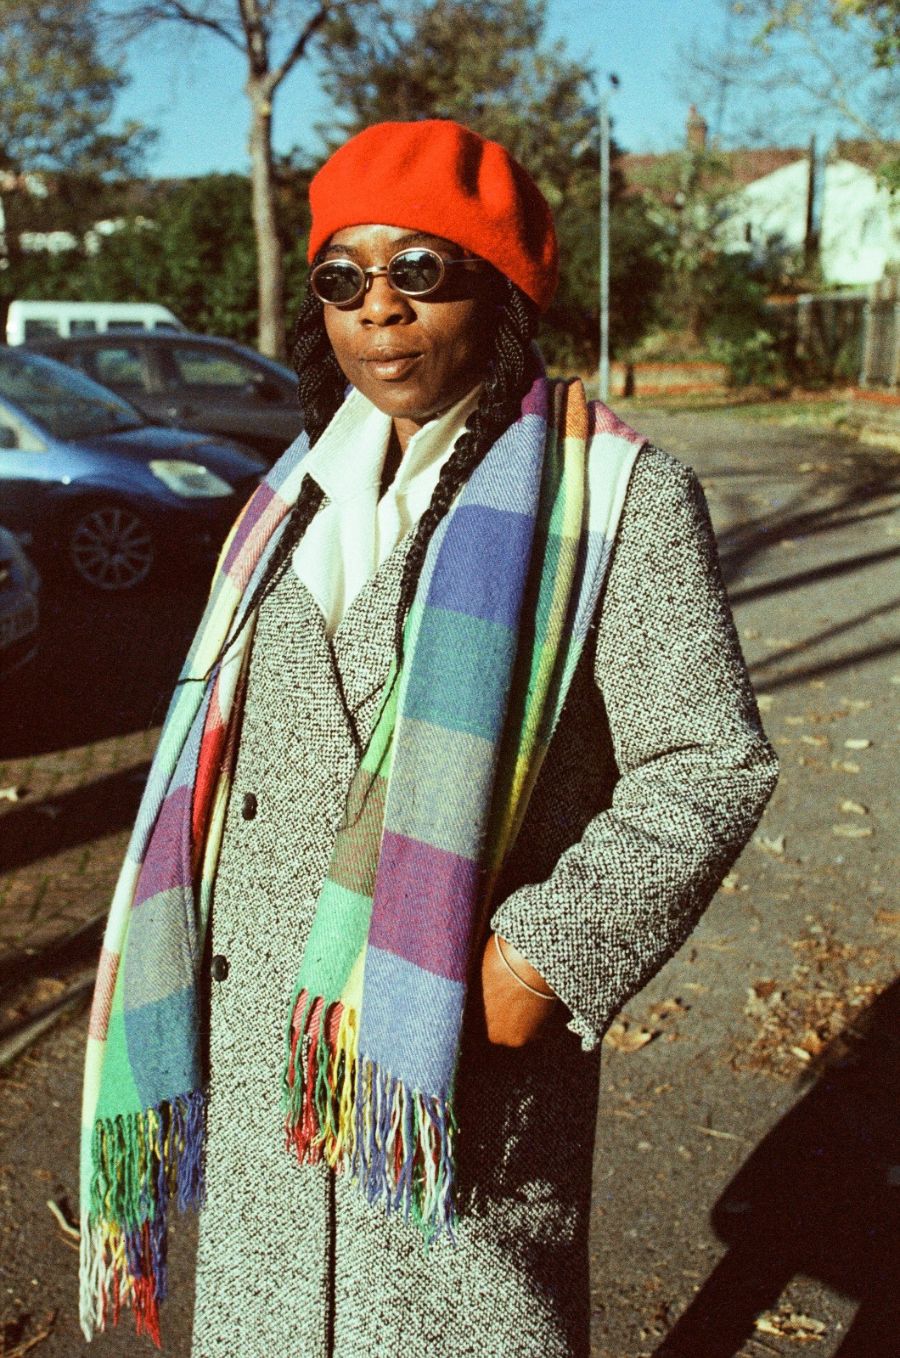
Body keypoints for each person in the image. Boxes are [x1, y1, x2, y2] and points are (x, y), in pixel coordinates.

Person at [79, 120, 779, 1358]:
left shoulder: (617, 498)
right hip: (268, 1072)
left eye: (422, 270)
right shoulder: (283, 500)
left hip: (446, 1069)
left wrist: (532, 967)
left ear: (499, 288)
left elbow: (707, 762)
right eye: (343, 279)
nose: (380, 312)